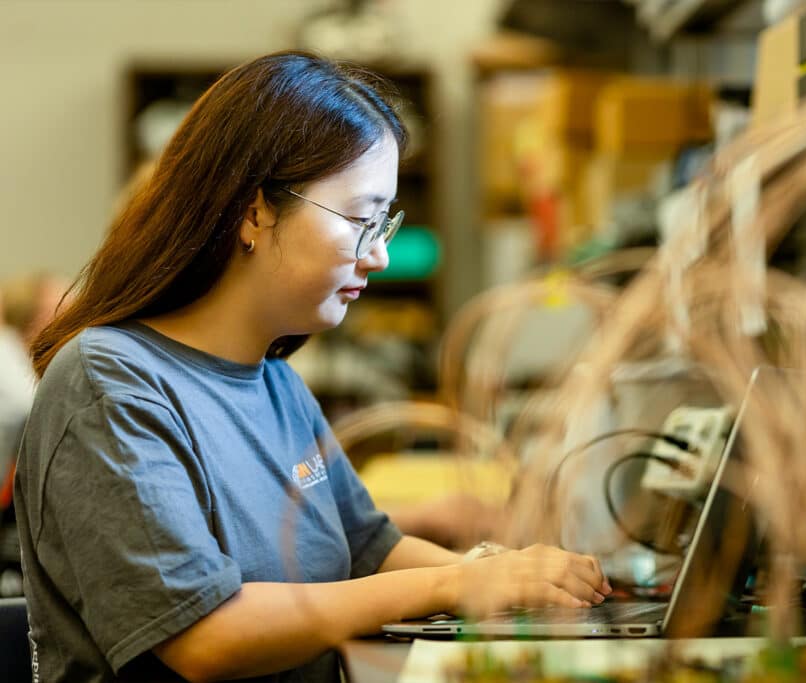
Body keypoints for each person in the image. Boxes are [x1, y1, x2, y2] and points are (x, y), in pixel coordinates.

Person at [15, 51, 610, 683]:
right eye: (360, 220)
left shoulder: (276, 381)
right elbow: (207, 637)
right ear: (254, 211)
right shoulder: (110, 381)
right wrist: (459, 582)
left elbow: (370, 551)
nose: (379, 256)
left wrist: (519, 580)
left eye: (384, 224)